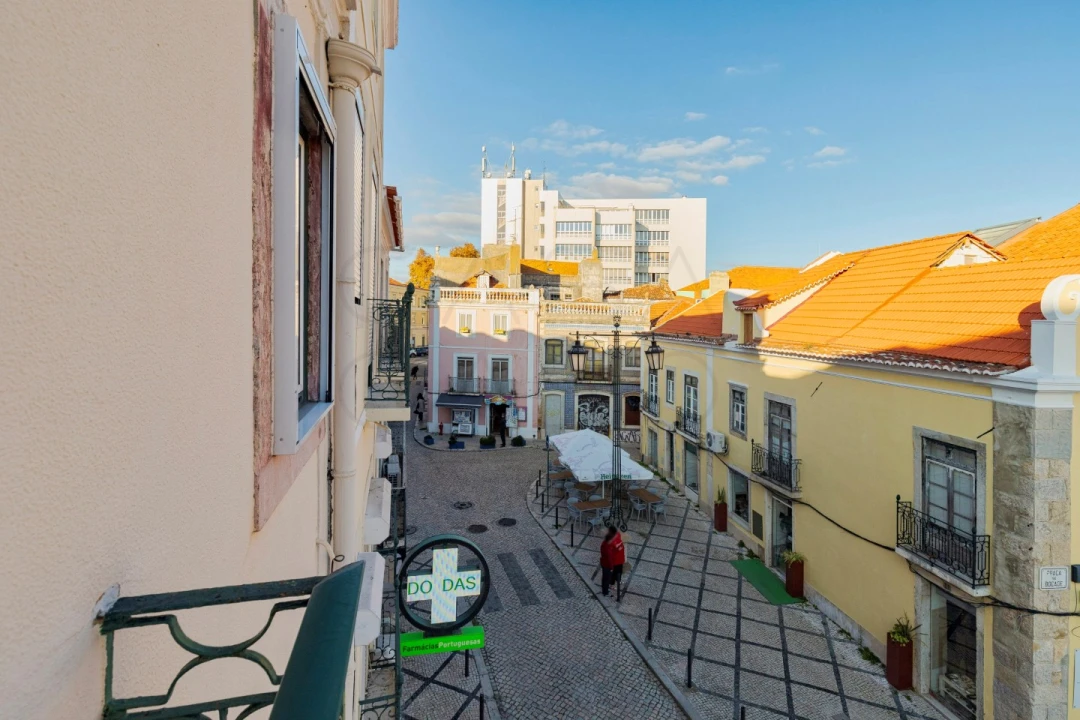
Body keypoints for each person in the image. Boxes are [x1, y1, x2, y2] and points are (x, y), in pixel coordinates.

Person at [599, 526, 626, 597]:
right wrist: (611, 567)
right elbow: (609, 557)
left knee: (608, 577)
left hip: (612, 562)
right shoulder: (607, 546)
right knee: (606, 578)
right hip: (607, 564)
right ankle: (605, 592)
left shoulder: (610, 542)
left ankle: (606, 589)